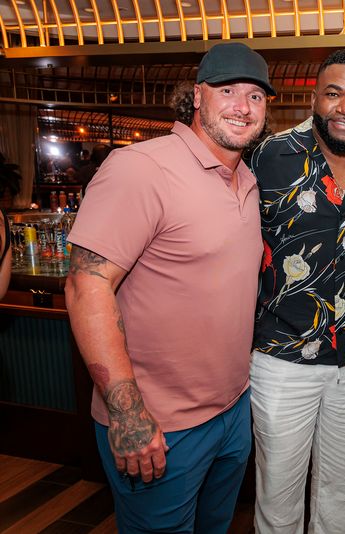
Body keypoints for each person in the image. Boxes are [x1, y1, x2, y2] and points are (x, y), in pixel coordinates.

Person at [64, 42, 273, 533]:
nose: (243, 106)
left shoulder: (245, 177)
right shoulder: (141, 167)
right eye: (227, 91)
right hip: (159, 425)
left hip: (231, 411)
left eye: (256, 96)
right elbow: (86, 285)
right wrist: (128, 414)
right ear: (196, 97)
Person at [248, 49, 345, 533]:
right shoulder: (266, 156)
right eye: (334, 94)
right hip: (282, 356)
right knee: (278, 492)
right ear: (313, 97)